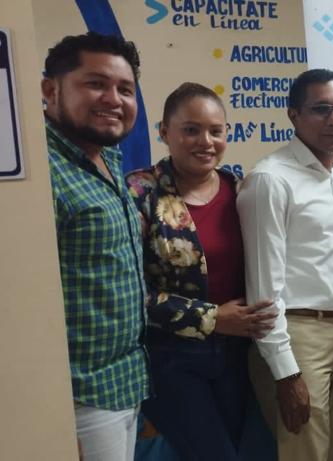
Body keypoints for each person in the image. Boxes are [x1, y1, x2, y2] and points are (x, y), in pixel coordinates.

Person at [125, 83, 276, 460]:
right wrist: (212, 318)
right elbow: (127, 293)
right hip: (173, 358)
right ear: (164, 132)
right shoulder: (140, 194)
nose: (205, 142)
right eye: (191, 130)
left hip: (240, 354)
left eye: (215, 131)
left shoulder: (240, 190)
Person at [237, 69, 333, 461]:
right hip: (298, 335)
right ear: (293, 115)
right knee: (304, 453)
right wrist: (286, 371)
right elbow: (263, 288)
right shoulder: (270, 179)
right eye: (321, 109)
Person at [43, 32, 149, 461]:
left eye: (125, 89)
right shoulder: (42, 174)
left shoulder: (109, 158)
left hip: (123, 382)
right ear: (50, 90)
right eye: (96, 84)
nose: (114, 99)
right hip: (78, 397)